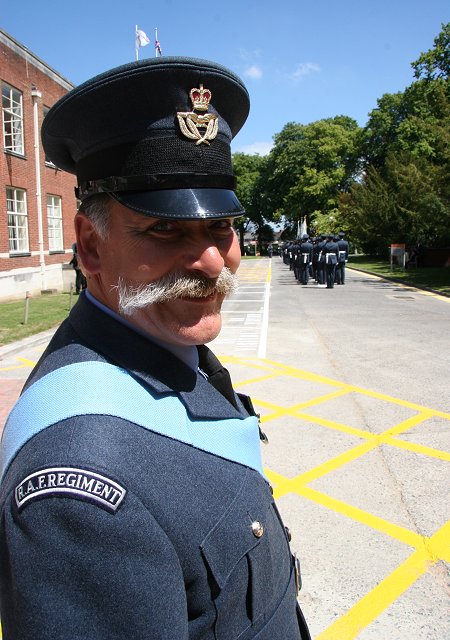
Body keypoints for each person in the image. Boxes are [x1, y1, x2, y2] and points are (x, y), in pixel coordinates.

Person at [0, 57, 310, 640]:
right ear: (91, 248)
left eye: (221, 227)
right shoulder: (80, 483)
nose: (214, 262)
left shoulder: (161, 345)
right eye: (167, 230)